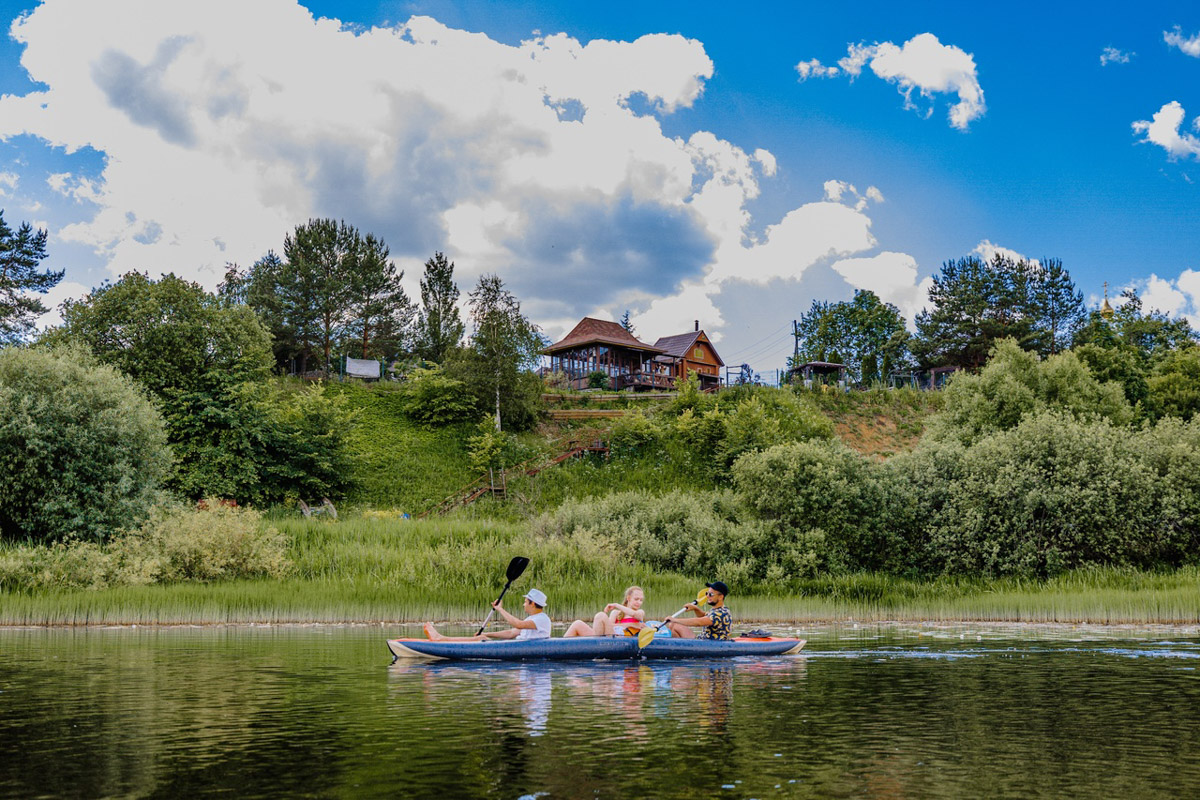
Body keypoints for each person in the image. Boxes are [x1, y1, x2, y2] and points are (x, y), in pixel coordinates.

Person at [423, 589, 552, 641]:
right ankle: (442, 639)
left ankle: (440, 639)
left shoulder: (542, 619)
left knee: (479, 640)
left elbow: (517, 624)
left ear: (533, 603)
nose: (523, 604)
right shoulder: (532, 619)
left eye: (525, 602)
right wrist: (487, 634)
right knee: (481, 638)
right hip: (519, 646)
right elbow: (511, 633)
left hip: (524, 648)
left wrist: (500, 609)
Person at [562, 586, 646, 637]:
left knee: (601, 616)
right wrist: (630, 624)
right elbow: (608, 626)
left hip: (618, 641)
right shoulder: (616, 613)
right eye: (636, 599)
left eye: (641, 600)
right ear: (628, 598)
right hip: (606, 637)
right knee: (578, 623)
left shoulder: (640, 612)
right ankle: (557, 648)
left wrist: (616, 605)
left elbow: (634, 614)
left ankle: (596, 645)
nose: (639, 602)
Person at [664, 581, 732, 640]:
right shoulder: (720, 609)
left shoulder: (720, 613)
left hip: (709, 644)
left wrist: (674, 619)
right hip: (702, 640)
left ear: (720, 597)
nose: (707, 596)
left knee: (674, 623)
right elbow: (703, 616)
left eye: (711, 594)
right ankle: (678, 649)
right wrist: (695, 608)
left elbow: (699, 622)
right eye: (707, 593)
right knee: (673, 625)